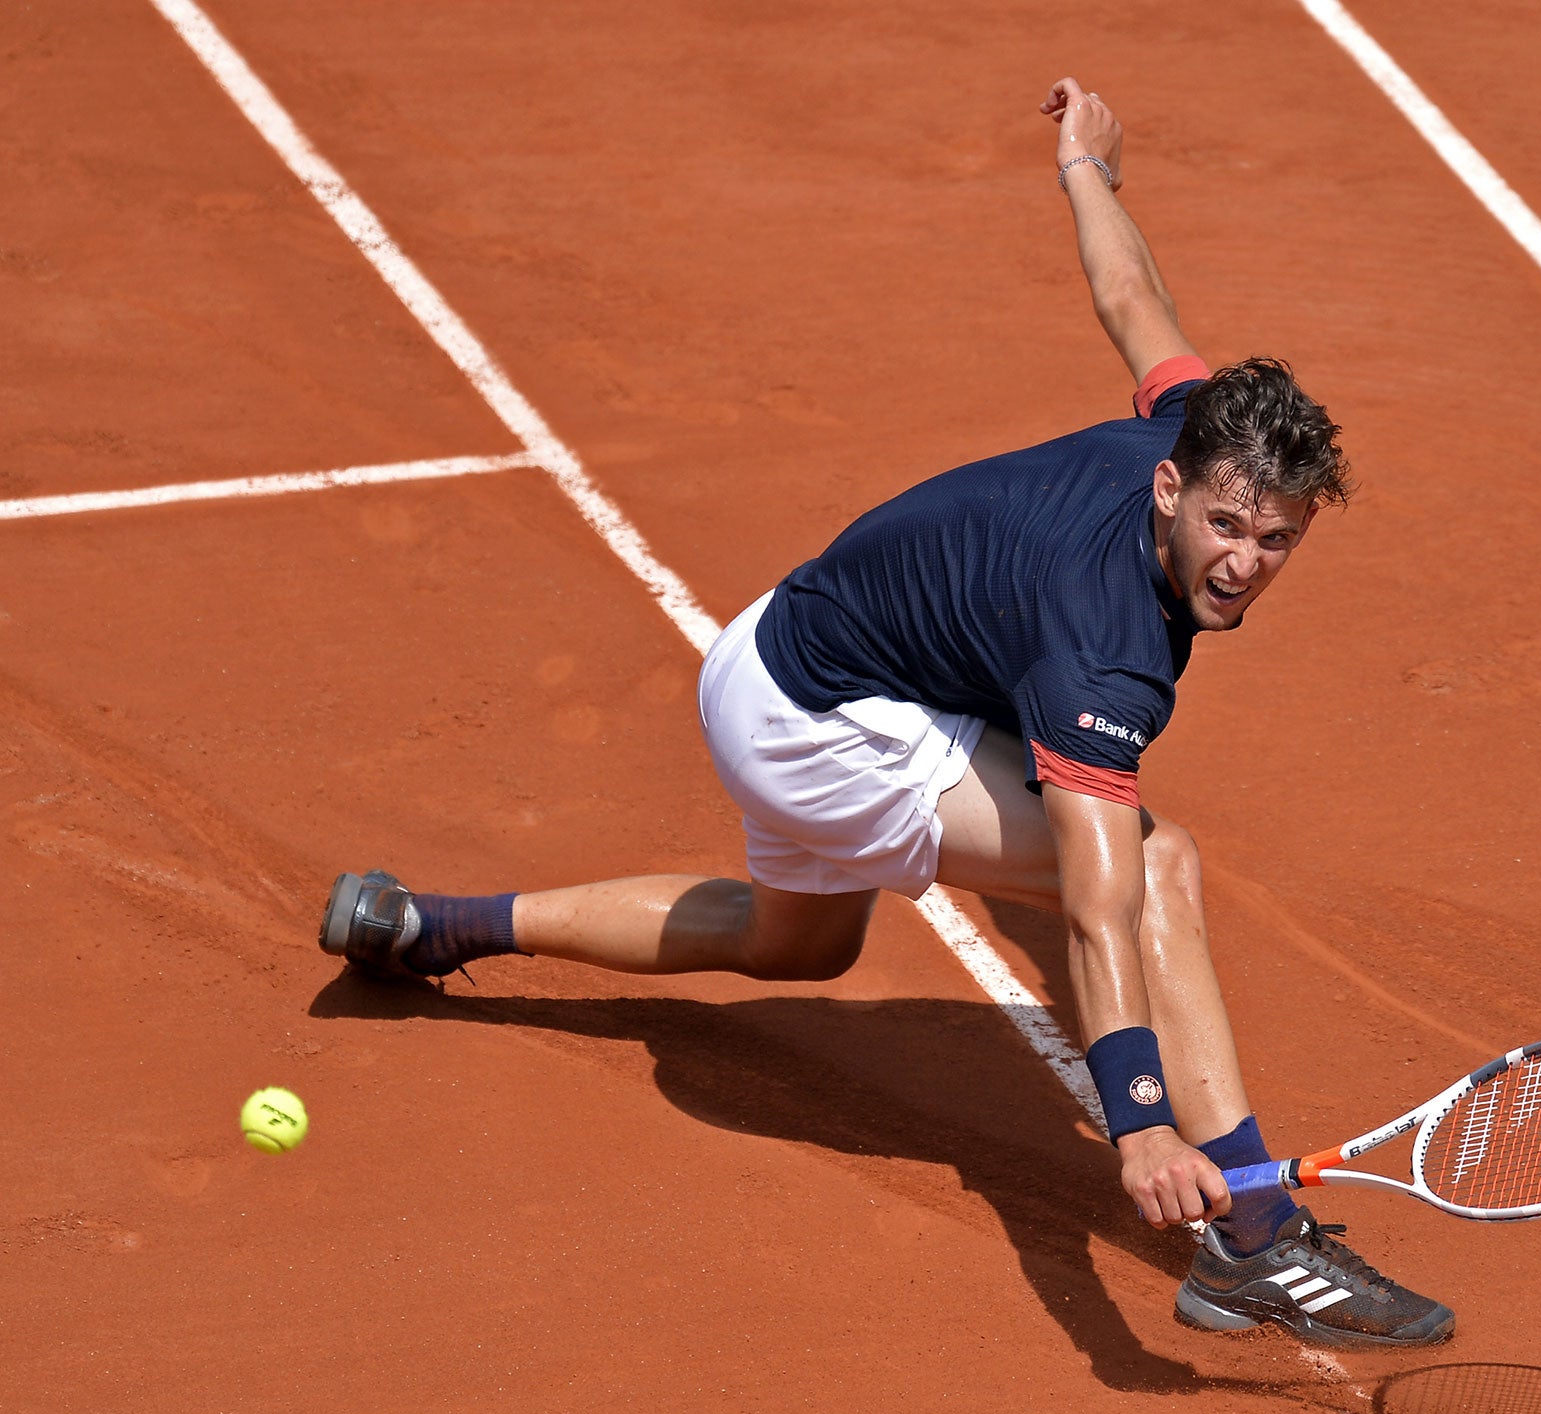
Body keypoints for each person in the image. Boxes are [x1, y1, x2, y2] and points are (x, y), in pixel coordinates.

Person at [321, 79, 1452, 1349]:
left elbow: (1134, 303)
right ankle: (1250, 1234)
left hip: (773, 651)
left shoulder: (1190, 427)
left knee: (795, 947)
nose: (1243, 561)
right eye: (1225, 528)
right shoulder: (1103, 657)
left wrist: (1085, 170)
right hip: (826, 725)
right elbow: (1097, 904)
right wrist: (1136, 1121)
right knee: (1161, 865)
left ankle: (426, 926)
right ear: (1172, 488)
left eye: (1277, 541)